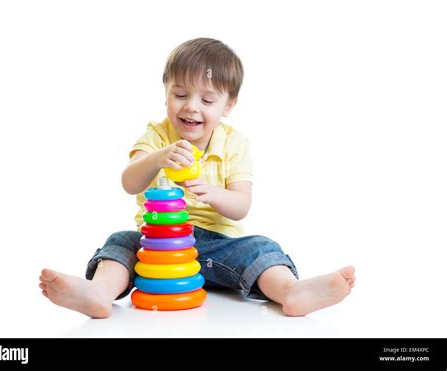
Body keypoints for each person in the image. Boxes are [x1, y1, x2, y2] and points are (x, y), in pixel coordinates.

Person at [39, 37, 356, 318]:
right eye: (180, 94)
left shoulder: (235, 144)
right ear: (165, 95)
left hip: (219, 248)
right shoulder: (156, 135)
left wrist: (215, 194)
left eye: (206, 100)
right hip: (157, 247)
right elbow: (129, 182)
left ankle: (292, 291)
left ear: (228, 105)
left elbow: (242, 205)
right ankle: (99, 293)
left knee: (262, 247)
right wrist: (157, 158)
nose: (191, 107)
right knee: (120, 242)